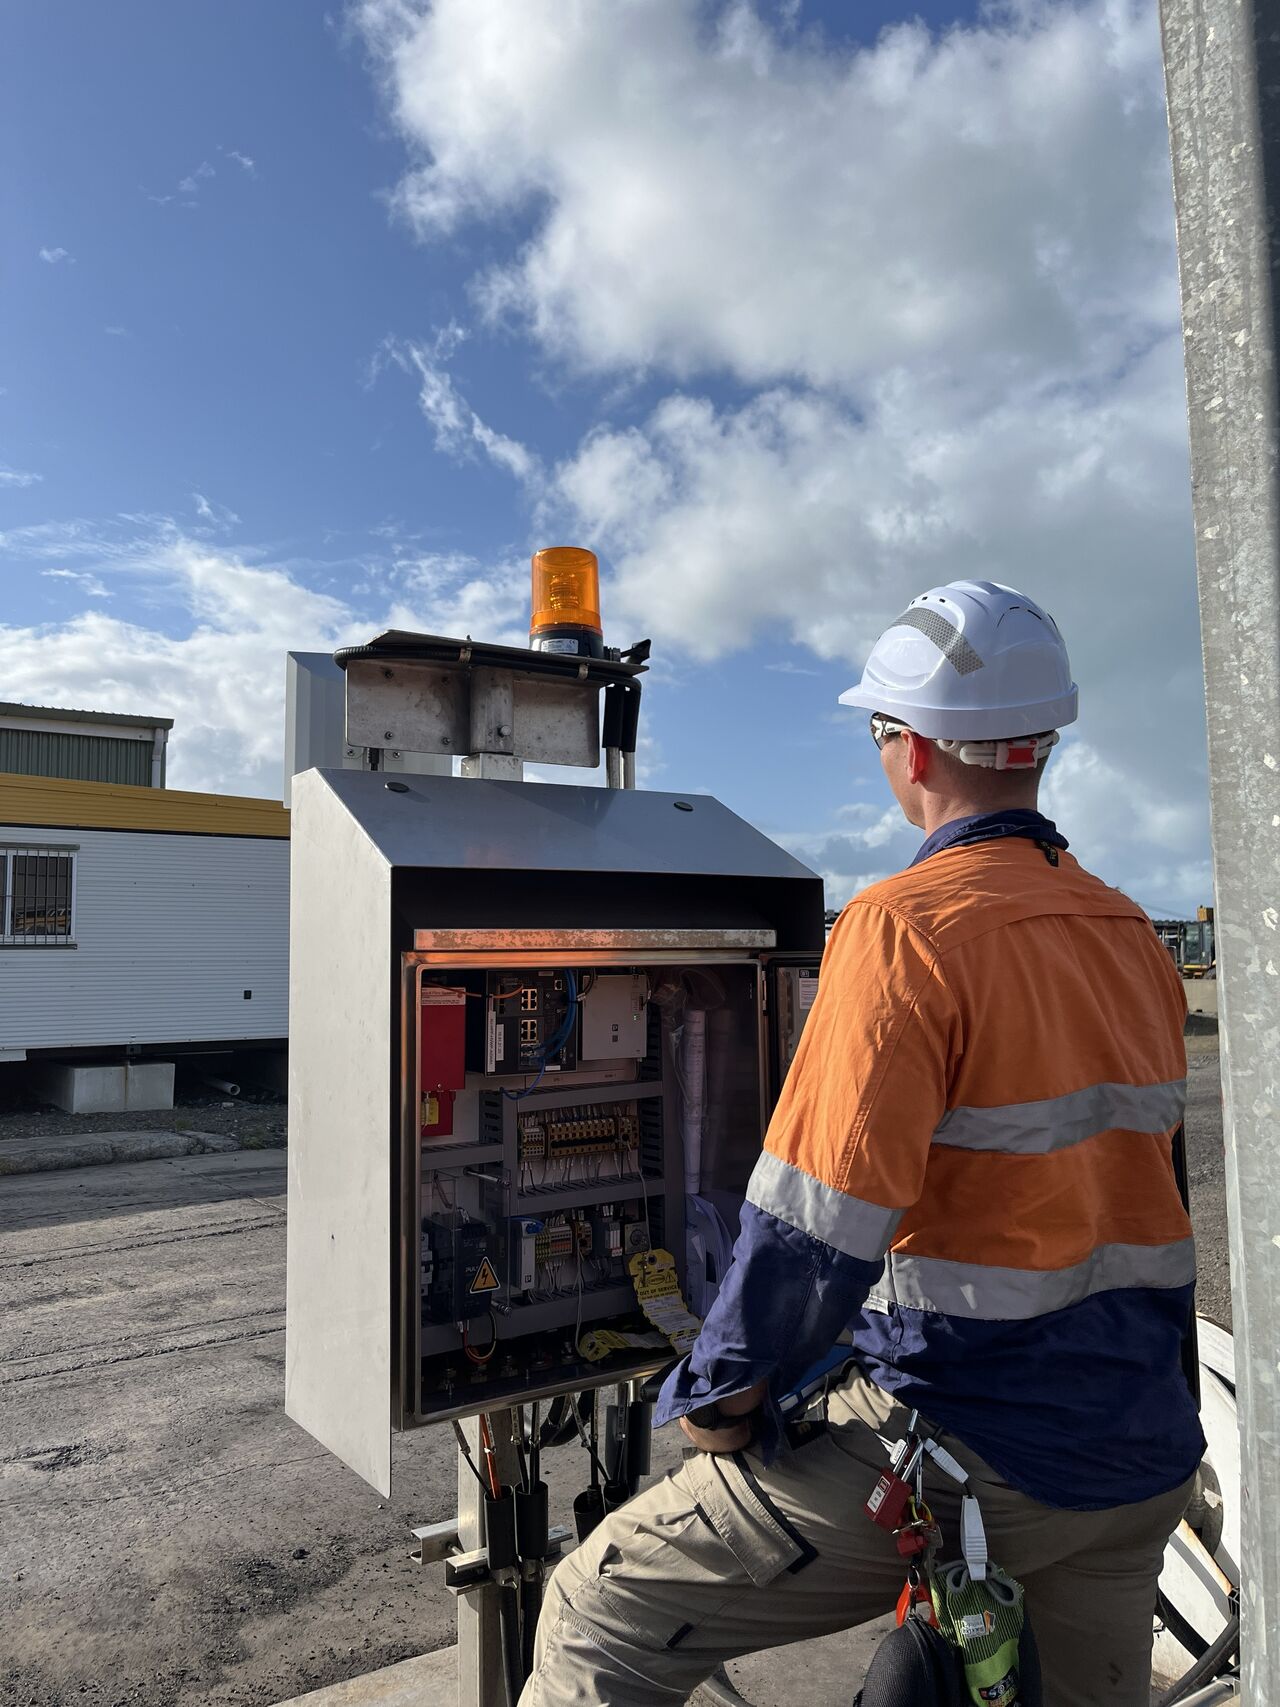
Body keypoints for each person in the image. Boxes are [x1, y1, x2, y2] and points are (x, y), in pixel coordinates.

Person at [521, 581, 1203, 1707]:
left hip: (978, 1447)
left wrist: (721, 1399)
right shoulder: (1129, 933)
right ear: (1038, 746)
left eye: (876, 732)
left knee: (603, 1607)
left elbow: (811, 1231)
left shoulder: (902, 928)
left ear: (913, 751)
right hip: (1135, 1446)